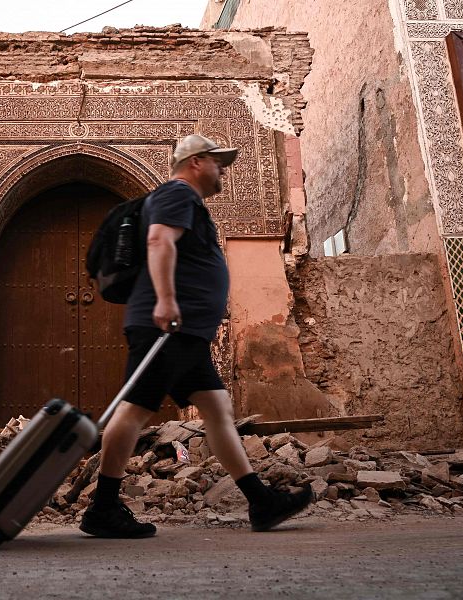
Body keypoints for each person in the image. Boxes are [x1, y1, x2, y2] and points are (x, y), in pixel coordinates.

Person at [79, 134, 313, 539]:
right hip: (167, 325)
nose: (223, 169)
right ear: (195, 162)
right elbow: (158, 240)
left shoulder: (189, 203)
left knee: (218, 408)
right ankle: (102, 508)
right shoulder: (177, 194)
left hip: (185, 331)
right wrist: (167, 301)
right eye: (217, 161)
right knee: (135, 409)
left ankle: (260, 501)